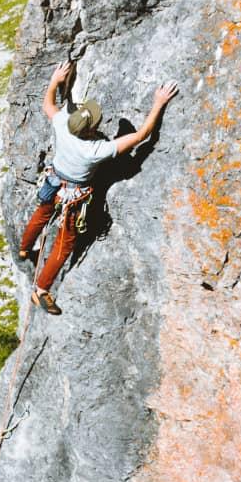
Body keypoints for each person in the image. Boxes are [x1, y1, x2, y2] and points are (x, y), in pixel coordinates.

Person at [18, 61, 177, 313]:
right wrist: (158, 103)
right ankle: (41, 290)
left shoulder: (62, 123)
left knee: (42, 212)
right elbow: (141, 135)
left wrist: (55, 80)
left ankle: (25, 249)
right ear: (91, 129)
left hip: (53, 181)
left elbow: (47, 105)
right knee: (65, 243)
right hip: (73, 196)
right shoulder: (95, 150)